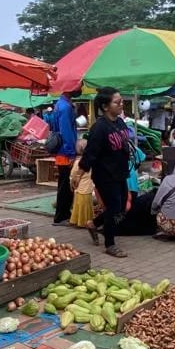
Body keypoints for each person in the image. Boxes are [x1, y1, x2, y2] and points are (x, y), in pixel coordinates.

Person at [79, 87, 133, 258]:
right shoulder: (99, 128)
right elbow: (90, 154)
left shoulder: (120, 122)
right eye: (117, 102)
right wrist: (78, 174)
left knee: (122, 206)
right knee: (114, 208)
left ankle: (93, 224)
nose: (121, 104)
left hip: (120, 172)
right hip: (105, 175)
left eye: (121, 101)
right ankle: (110, 244)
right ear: (105, 106)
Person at [51, 91, 78, 225]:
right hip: (65, 152)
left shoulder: (60, 104)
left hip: (62, 151)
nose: (80, 88)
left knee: (64, 184)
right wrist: (71, 153)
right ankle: (61, 217)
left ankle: (63, 214)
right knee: (66, 185)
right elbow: (66, 131)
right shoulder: (65, 107)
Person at [68, 140, 97, 230]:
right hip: (88, 186)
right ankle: (87, 221)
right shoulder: (91, 160)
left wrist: (71, 183)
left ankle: (79, 221)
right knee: (87, 205)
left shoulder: (78, 162)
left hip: (80, 187)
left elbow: (73, 175)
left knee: (80, 205)